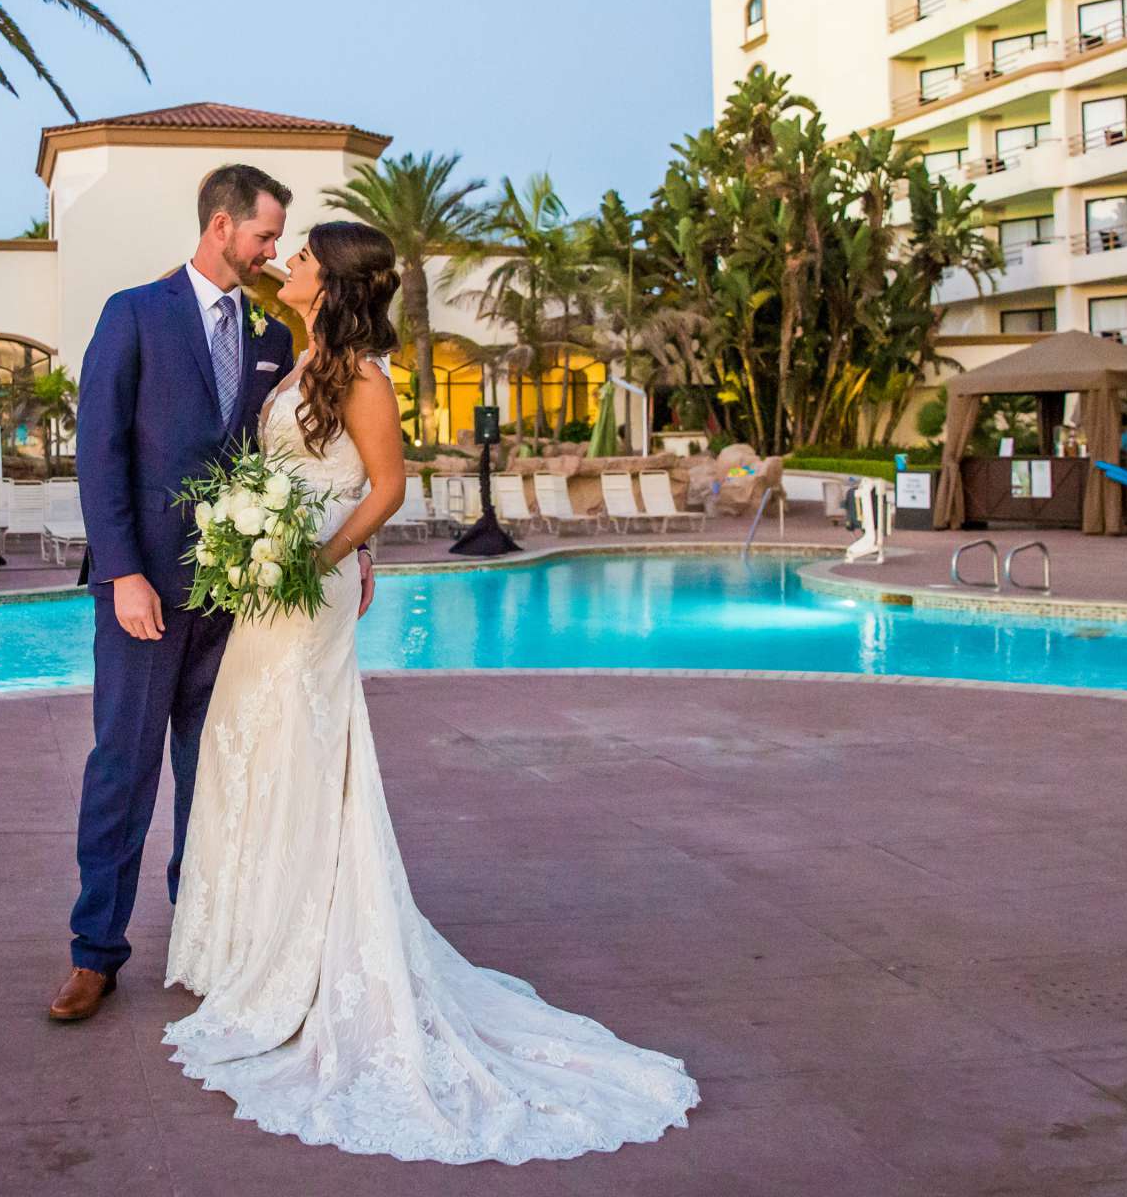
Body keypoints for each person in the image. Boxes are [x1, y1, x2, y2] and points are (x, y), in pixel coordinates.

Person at [159, 220, 698, 1162]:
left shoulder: (362, 374)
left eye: (304, 254)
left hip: (304, 588)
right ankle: (245, 943)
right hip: (271, 584)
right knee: (248, 740)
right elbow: (297, 475)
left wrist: (320, 556)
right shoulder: (299, 357)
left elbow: (386, 485)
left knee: (298, 745)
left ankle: (303, 950)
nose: (288, 263)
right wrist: (261, 544)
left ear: (331, 279)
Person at [51, 165, 348, 1023]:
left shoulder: (273, 334)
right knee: (123, 769)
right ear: (221, 226)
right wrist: (124, 574)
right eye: (264, 235)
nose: (272, 252)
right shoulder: (133, 314)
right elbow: (99, 453)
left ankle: (202, 936)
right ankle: (94, 954)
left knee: (215, 774)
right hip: (146, 596)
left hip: (238, 601)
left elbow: (281, 461)